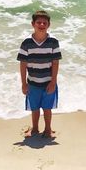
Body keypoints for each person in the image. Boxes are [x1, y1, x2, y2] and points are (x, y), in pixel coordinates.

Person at [17, 10, 62, 138]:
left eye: (44, 22)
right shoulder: (26, 43)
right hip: (32, 83)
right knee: (34, 108)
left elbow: (55, 63)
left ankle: (48, 129)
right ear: (33, 24)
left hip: (48, 82)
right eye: (39, 22)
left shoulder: (53, 42)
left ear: (49, 25)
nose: (41, 24)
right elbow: (23, 64)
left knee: (47, 108)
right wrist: (24, 84)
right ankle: (35, 128)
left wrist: (53, 82)